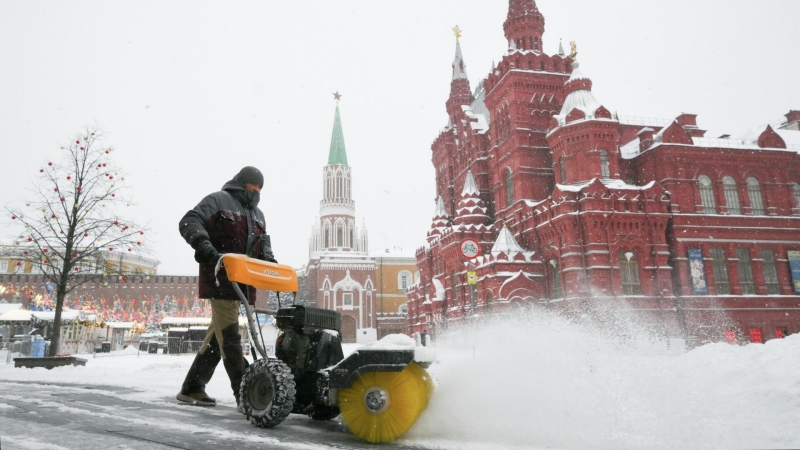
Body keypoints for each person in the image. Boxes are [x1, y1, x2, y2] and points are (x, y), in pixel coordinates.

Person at [176, 166, 277, 407]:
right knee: (230, 338)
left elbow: (263, 246)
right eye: (254, 186)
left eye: (261, 188)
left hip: (244, 284)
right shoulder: (218, 200)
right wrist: (203, 244)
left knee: (217, 339)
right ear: (243, 183)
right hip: (220, 279)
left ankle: (192, 387)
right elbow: (190, 221)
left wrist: (270, 263)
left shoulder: (258, 214)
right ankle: (246, 395)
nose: (257, 191)